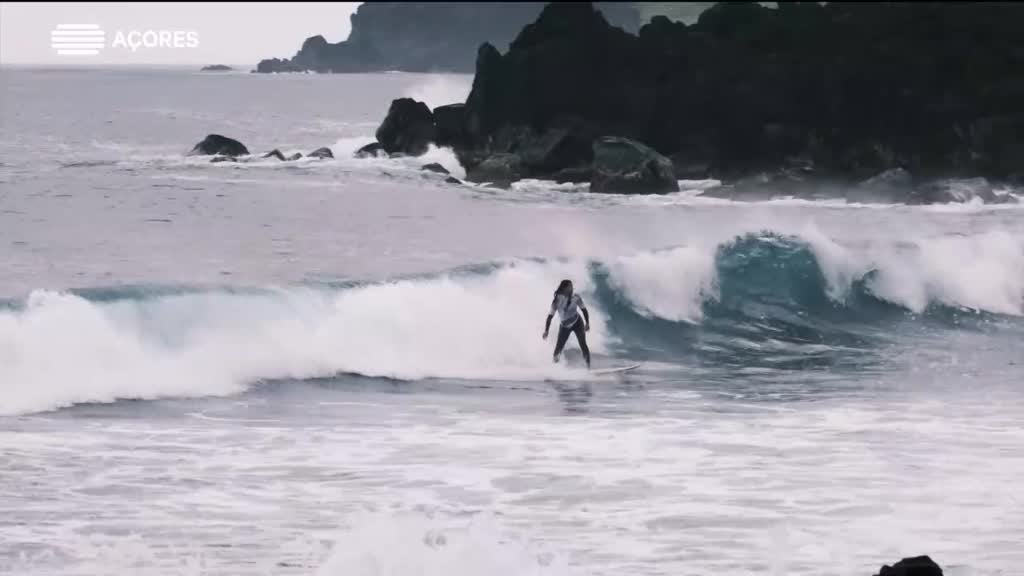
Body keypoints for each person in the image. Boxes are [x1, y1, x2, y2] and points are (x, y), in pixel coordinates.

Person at [543, 279, 591, 369]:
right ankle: (554, 368)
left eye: (572, 286)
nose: (572, 288)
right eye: (570, 286)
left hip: (577, 322)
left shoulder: (576, 297)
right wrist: (546, 330)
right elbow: (550, 316)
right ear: (564, 288)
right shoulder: (557, 300)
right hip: (564, 327)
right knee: (558, 348)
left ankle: (588, 367)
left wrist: (587, 323)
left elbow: (584, 310)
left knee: (583, 344)